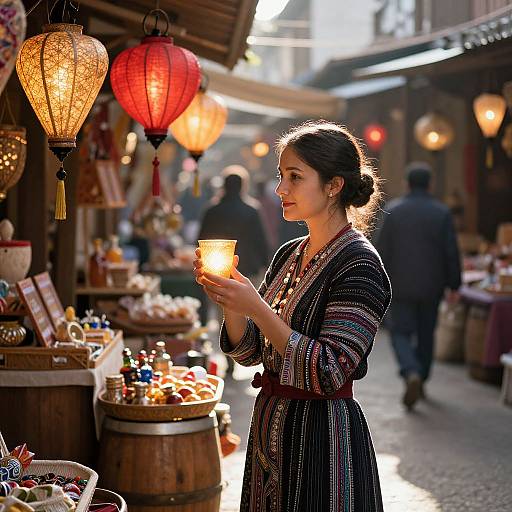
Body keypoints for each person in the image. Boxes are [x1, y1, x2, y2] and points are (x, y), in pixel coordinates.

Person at [194, 121, 391, 511]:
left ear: (334, 185)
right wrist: (231, 303)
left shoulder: (360, 264)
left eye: (295, 177)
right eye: (281, 176)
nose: (281, 189)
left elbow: (330, 370)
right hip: (270, 429)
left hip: (323, 439)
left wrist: (255, 306)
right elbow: (251, 351)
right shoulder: (289, 254)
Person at [374, 162, 461, 410]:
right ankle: (421, 377)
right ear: (430, 184)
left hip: (399, 285)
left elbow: (381, 251)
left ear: (407, 184)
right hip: (432, 286)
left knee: (400, 332)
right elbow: (450, 253)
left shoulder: (393, 211)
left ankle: (410, 370)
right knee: (426, 333)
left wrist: (378, 282)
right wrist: (454, 283)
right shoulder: (441, 212)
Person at [198, 165, 270, 283]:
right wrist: (265, 264)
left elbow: (201, 239)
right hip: (247, 269)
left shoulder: (211, 211)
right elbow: (260, 240)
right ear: (242, 186)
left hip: (217, 269)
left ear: (224, 186)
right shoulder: (251, 210)